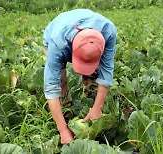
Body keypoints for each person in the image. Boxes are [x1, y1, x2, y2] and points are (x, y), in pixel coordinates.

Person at [43, 9, 117, 144]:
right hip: (58, 32)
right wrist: (63, 130)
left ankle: (90, 103)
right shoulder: (57, 43)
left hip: (89, 31)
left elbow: (106, 72)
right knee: (59, 81)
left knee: (96, 73)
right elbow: (50, 88)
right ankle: (66, 112)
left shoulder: (108, 32)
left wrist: (97, 108)